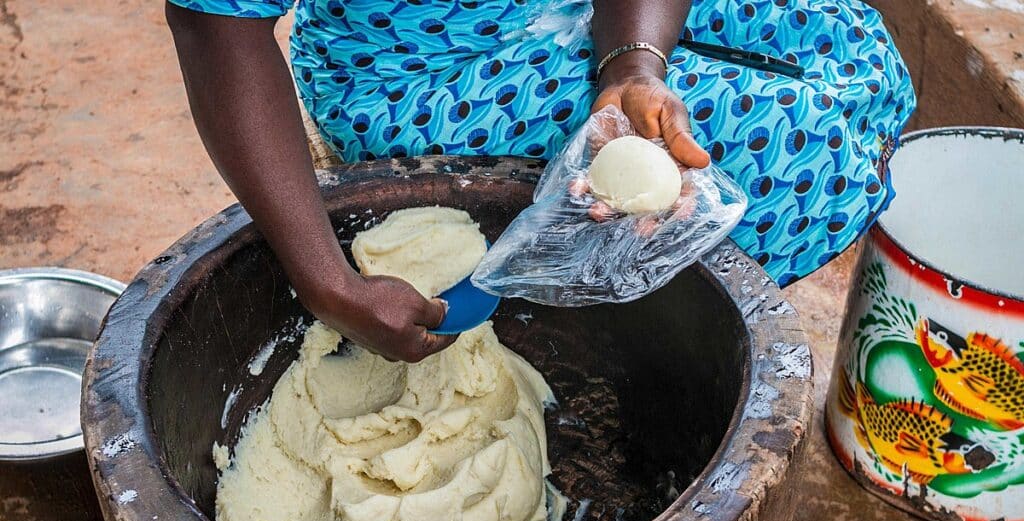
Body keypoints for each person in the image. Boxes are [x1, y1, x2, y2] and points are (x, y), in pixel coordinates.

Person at [166, 0, 915, 362]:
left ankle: (604, 299)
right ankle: (573, 321)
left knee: (842, 49)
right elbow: (213, 25)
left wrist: (631, 64)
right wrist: (326, 280)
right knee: (794, 137)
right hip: (420, 69)